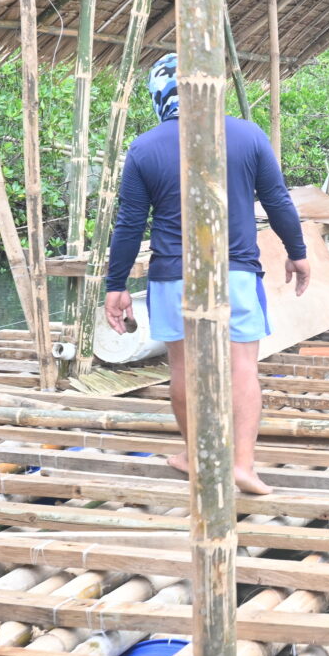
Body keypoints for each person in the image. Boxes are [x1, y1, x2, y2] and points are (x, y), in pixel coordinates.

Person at [104, 53, 311, 492]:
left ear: (159, 95)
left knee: (182, 369)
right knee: (242, 368)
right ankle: (242, 464)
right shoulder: (247, 135)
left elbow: (129, 224)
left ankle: (197, 456)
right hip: (235, 272)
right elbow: (278, 202)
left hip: (171, 276)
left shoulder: (144, 148)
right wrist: (297, 252)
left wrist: (116, 285)